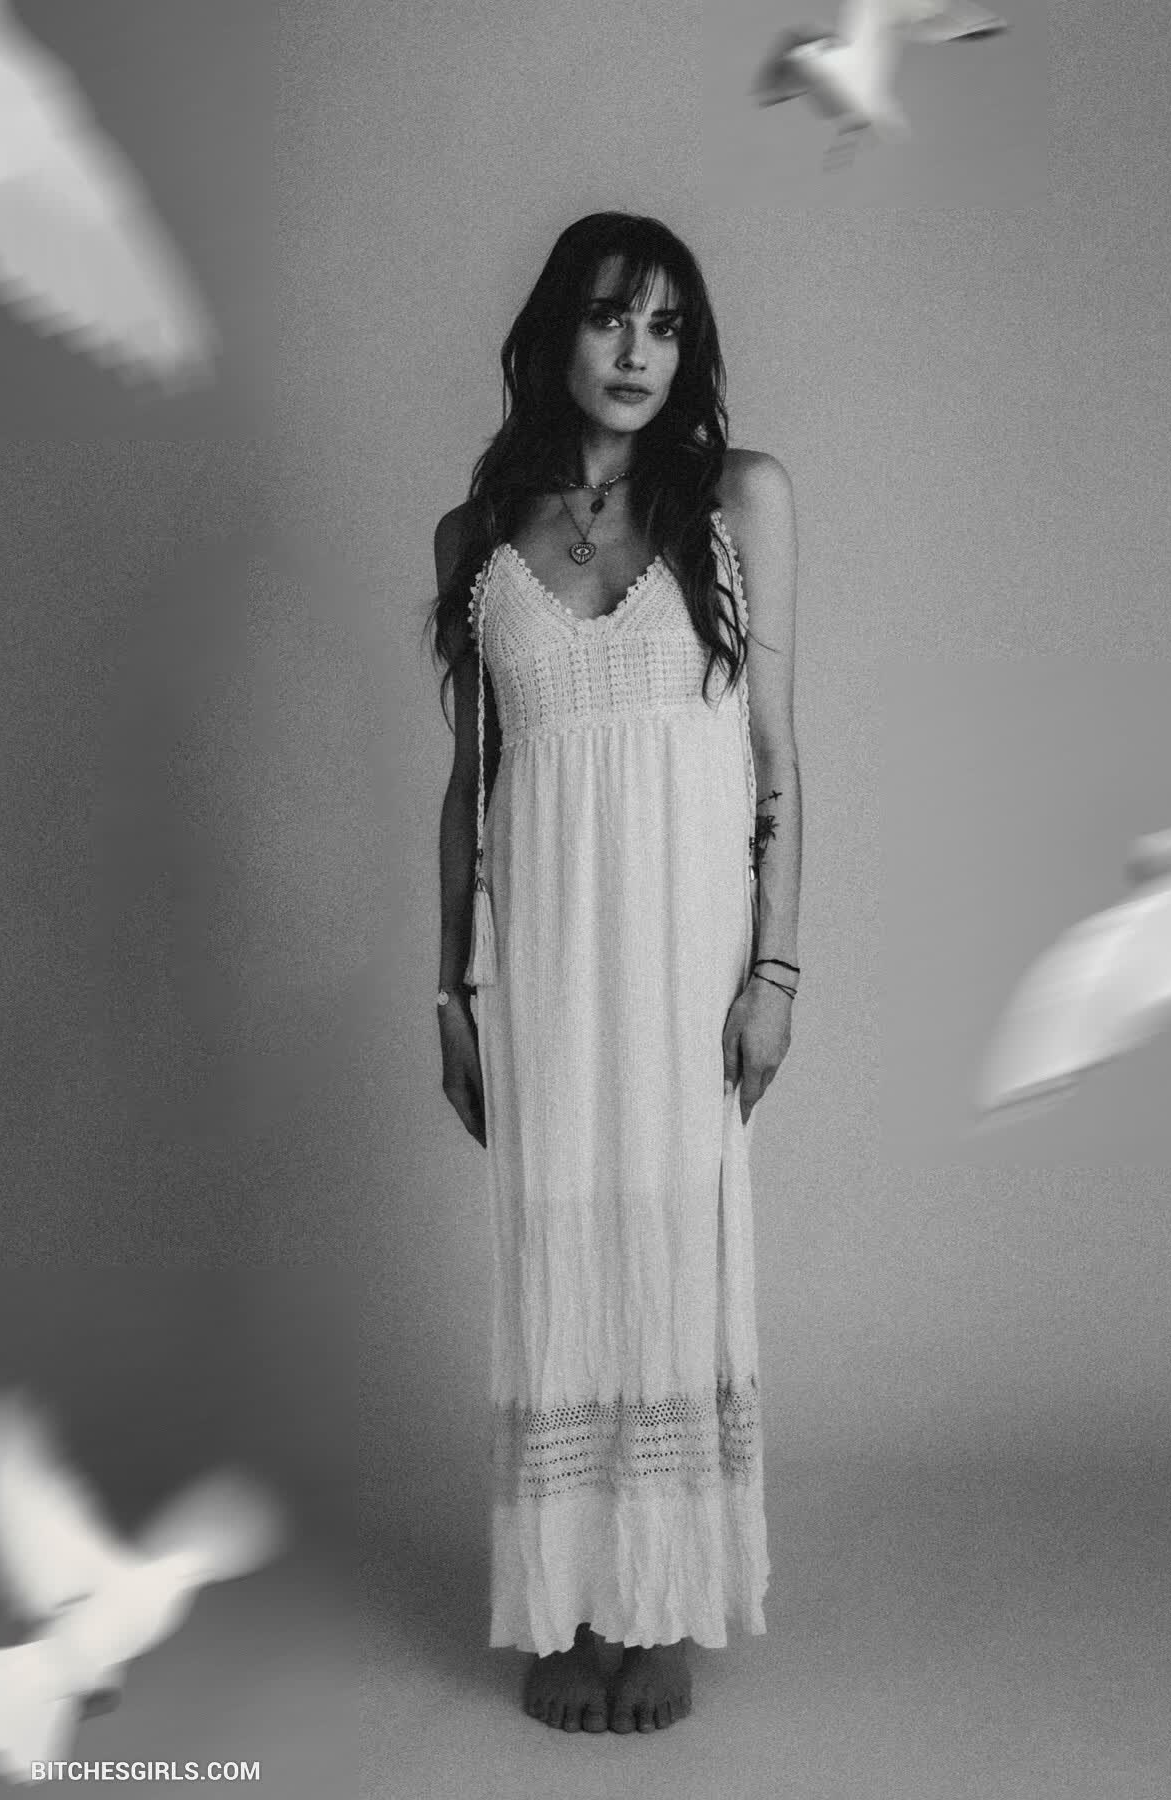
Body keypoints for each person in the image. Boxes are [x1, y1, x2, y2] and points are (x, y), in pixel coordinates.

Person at [428, 212, 803, 1735]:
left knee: (670, 1240)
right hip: (541, 968)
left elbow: (778, 756)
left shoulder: (740, 501)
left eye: (665, 323)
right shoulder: (476, 540)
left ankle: (662, 1603)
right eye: (607, 317)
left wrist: (777, 969)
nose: (637, 350)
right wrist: (449, 996)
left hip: (682, 960)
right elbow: (469, 788)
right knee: (561, 1251)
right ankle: (573, 1604)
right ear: (555, 337)